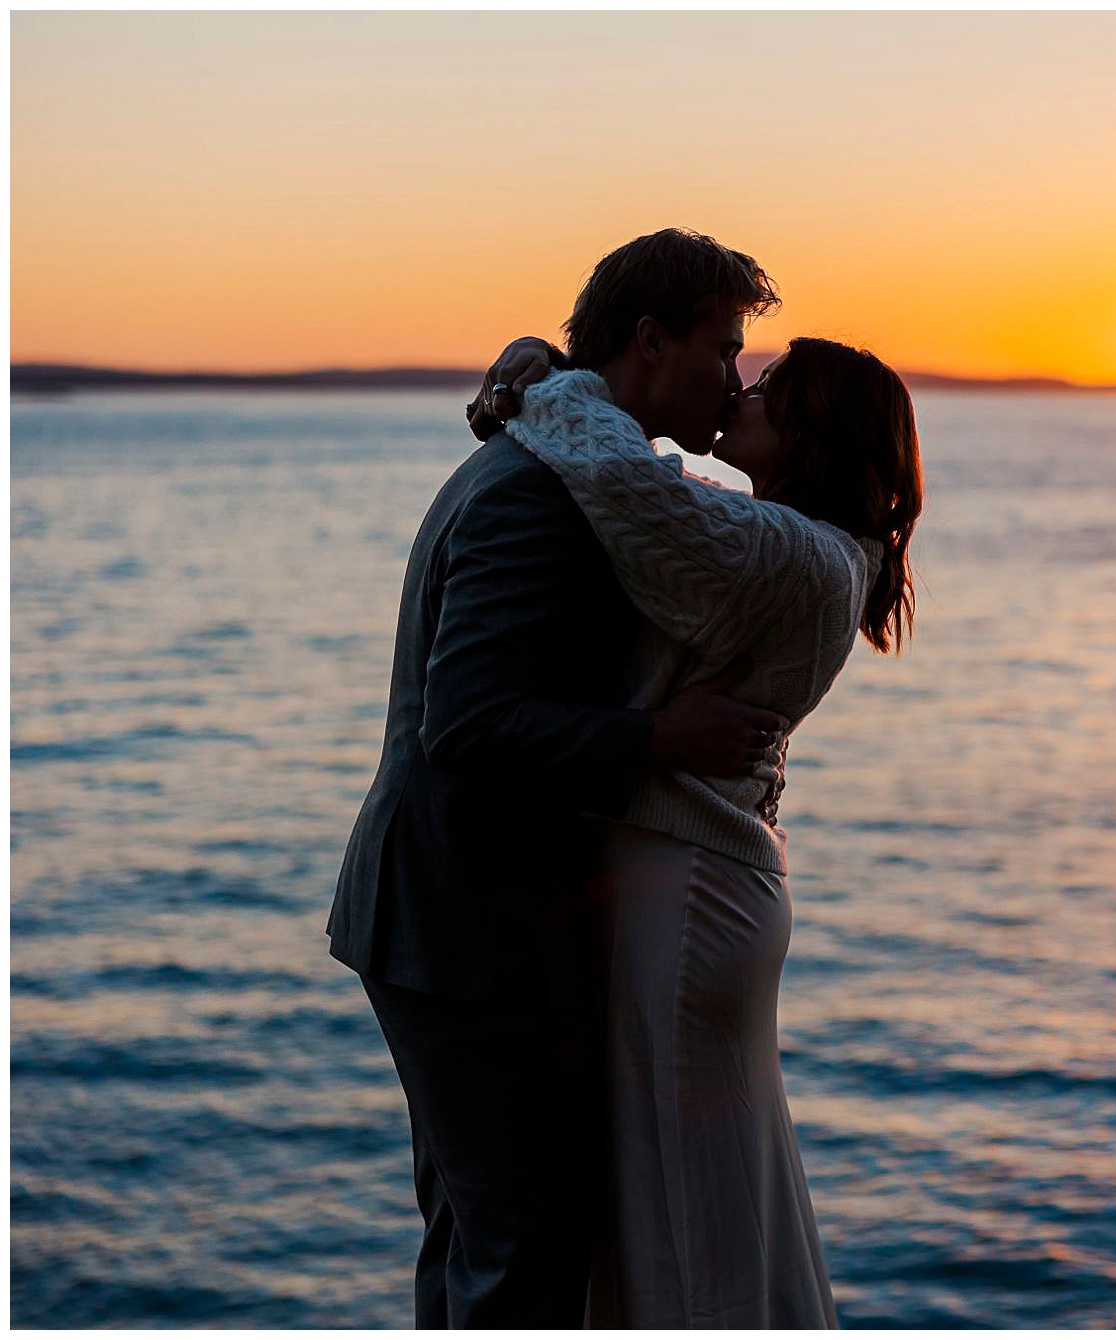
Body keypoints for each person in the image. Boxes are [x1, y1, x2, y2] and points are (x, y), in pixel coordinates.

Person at [328, 228, 788, 1327]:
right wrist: (661, 737)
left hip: (447, 917)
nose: (736, 378)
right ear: (648, 339)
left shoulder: (570, 460)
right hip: (466, 922)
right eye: (723, 348)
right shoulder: (539, 493)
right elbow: (469, 721)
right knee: (524, 1247)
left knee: (481, 1236)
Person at [474, 321, 922, 1327]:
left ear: (813, 435)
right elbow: (647, 501)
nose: (741, 394)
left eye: (770, 391)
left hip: (686, 891)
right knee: (700, 1193)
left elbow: (625, 485)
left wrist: (542, 382)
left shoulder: (790, 553)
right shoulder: (796, 547)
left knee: (683, 1206)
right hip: (699, 879)